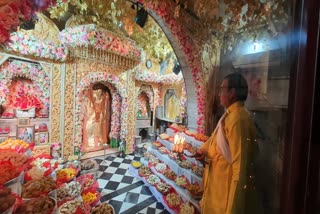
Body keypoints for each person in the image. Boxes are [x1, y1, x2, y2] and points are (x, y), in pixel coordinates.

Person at [196, 73, 259, 214]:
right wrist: (203, 151)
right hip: (217, 186)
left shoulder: (238, 119)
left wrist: (233, 209)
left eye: (222, 89)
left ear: (232, 93)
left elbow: (239, 168)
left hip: (225, 193)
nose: (219, 94)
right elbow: (215, 138)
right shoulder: (230, 115)